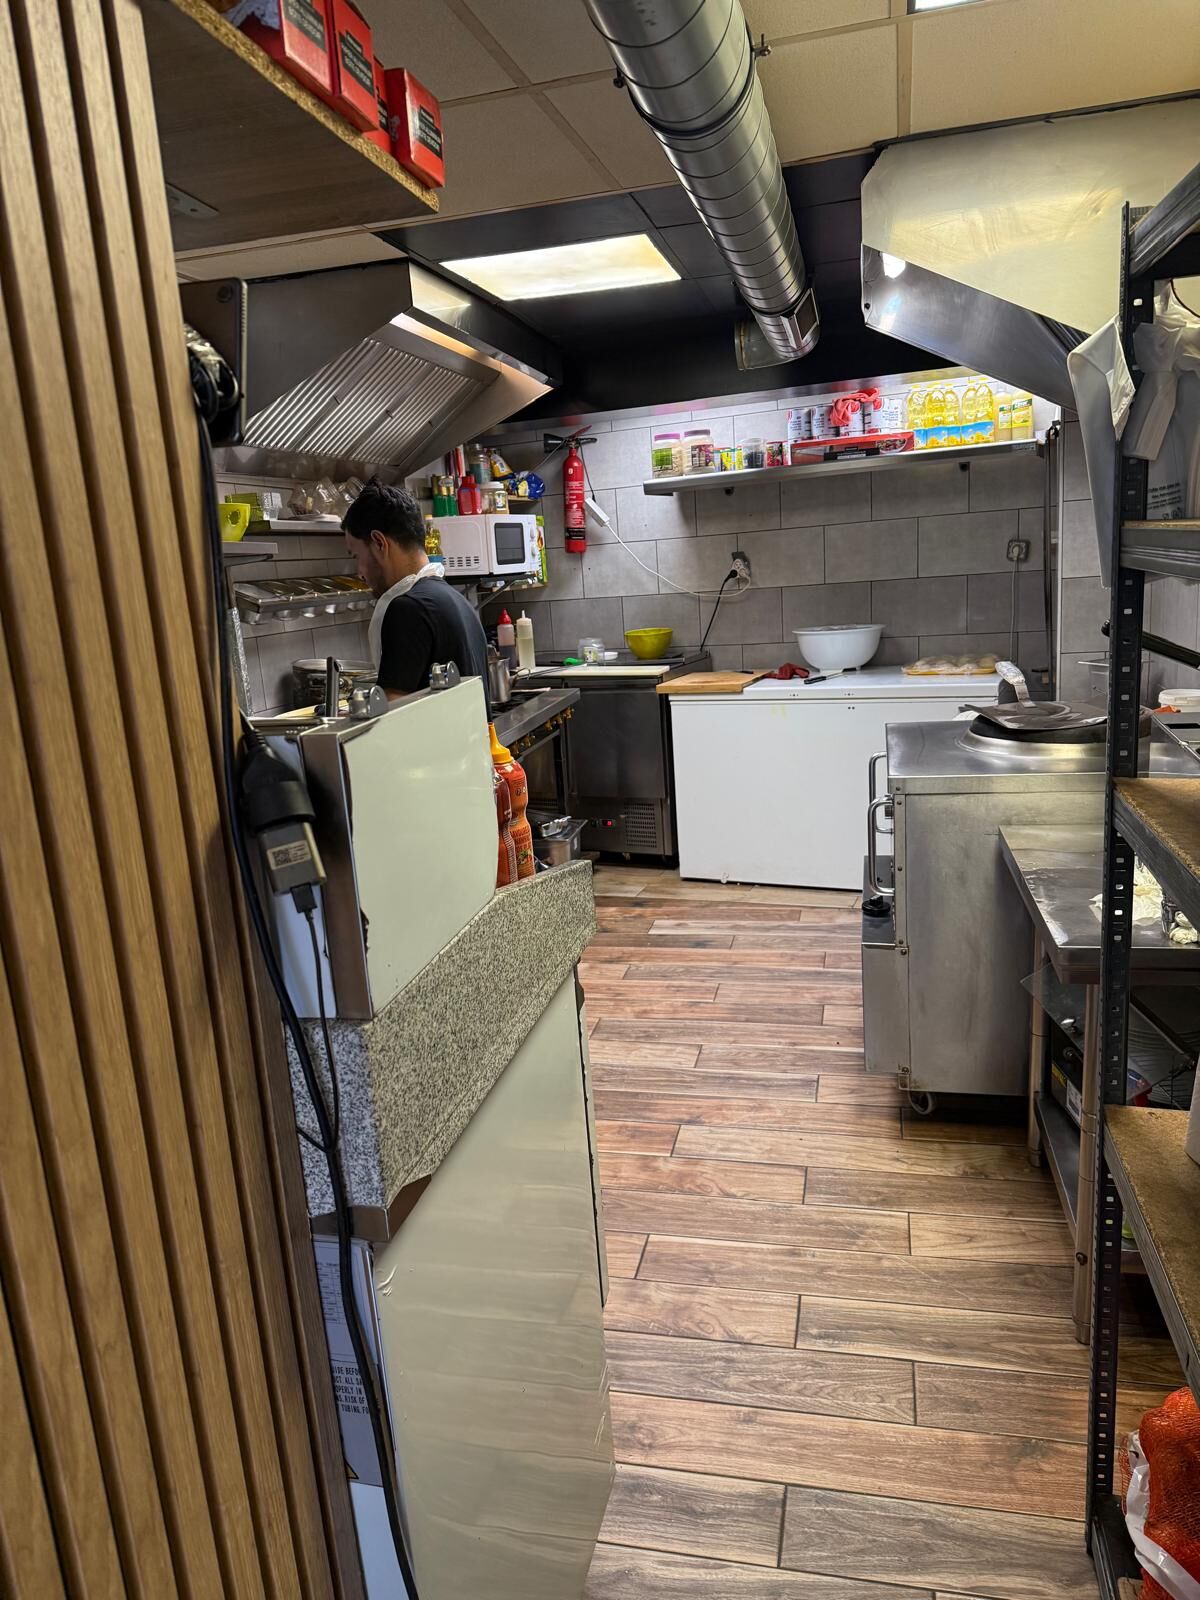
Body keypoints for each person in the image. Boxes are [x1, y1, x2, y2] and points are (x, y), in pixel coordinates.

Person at [343, 479, 490, 709]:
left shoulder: (408, 609)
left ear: (379, 543)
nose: (359, 572)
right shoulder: (456, 601)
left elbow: (393, 712)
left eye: (356, 556)